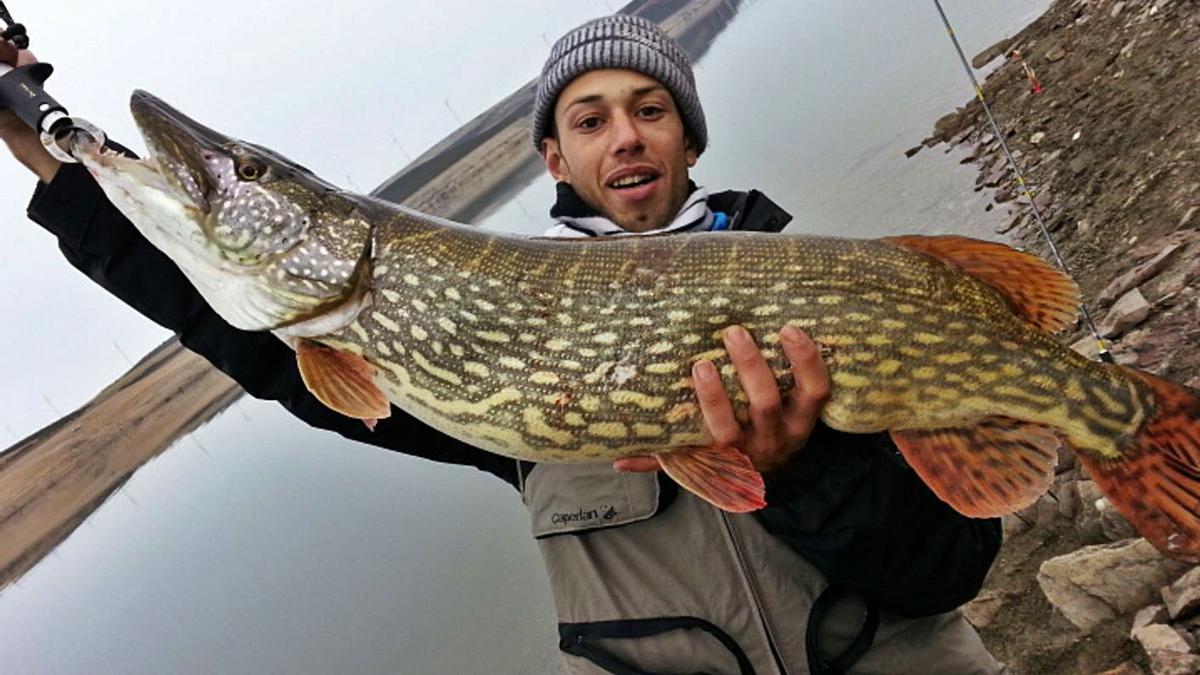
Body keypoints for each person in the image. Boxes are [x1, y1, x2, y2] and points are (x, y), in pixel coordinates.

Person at [1, 15, 1007, 674]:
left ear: (687, 142)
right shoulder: (470, 364)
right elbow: (247, 332)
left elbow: (947, 571)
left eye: (651, 111)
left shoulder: (816, 306)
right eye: (590, 118)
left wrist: (804, 470)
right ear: (554, 158)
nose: (626, 137)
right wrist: (37, 151)